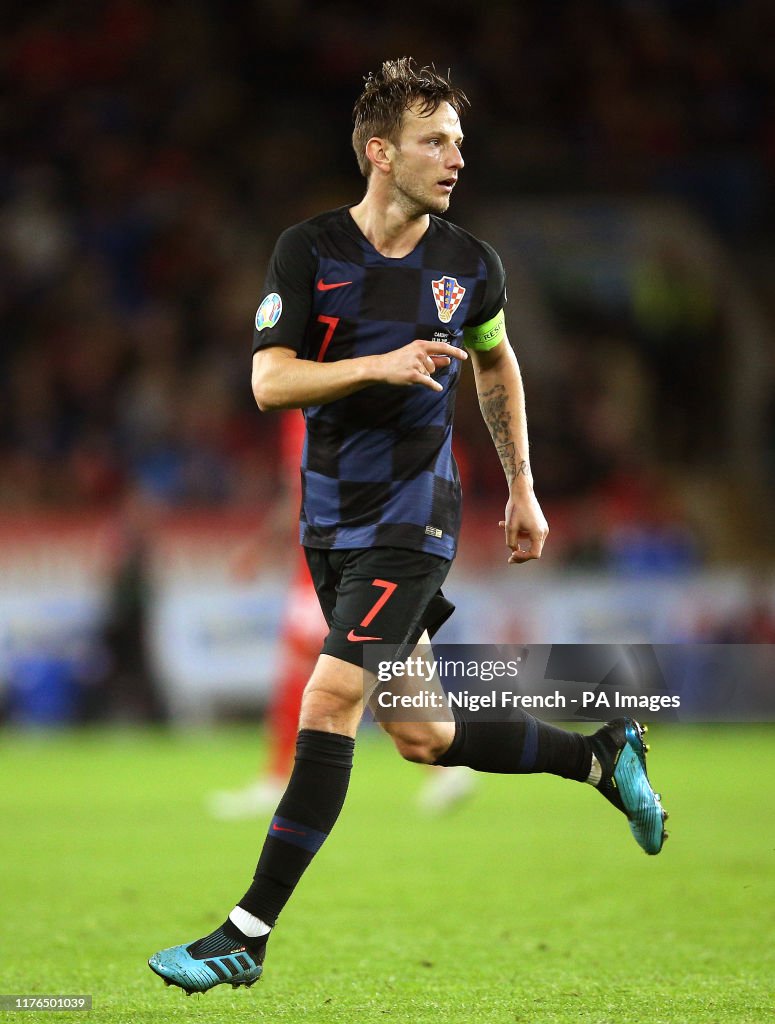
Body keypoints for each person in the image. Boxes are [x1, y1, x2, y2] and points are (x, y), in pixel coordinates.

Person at [149, 58, 668, 996]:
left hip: (412, 520)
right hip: (329, 522)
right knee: (423, 732)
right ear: (381, 153)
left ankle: (246, 933)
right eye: (436, 140)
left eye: (460, 142)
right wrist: (372, 367)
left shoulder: (471, 265)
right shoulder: (308, 252)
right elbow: (270, 382)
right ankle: (600, 754)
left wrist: (521, 487)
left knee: (328, 700)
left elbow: (496, 367)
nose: (456, 157)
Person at [208, 410, 475, 819]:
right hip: (321, 558)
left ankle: (280, 780)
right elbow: (298, 494)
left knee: (344, 667)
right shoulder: (300, 410)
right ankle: (443, 767)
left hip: (350, 557)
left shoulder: (353, 394)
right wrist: (261, 547)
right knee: (365, 665)